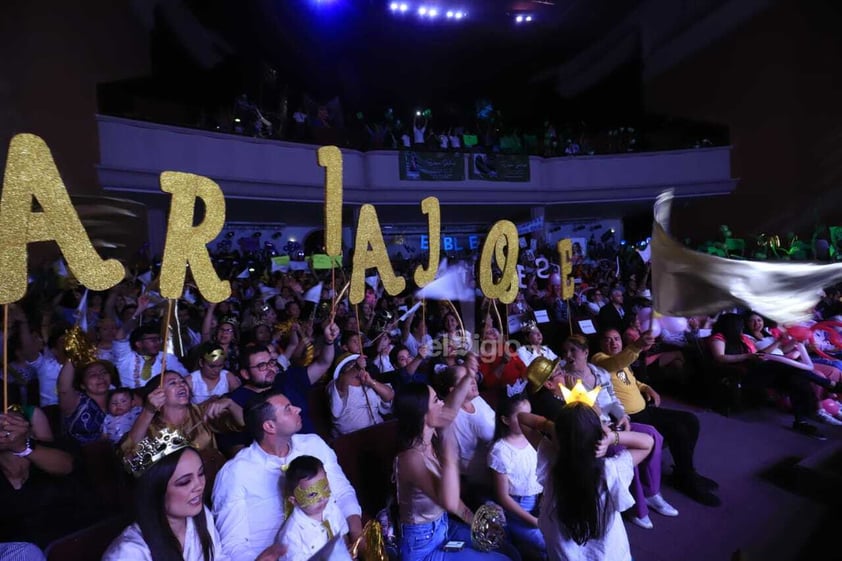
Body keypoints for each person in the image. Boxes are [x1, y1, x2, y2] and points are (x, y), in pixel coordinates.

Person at [212, 389, 363, 561]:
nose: (298, 409)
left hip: (331, 550)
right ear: (269, 426)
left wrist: (357, 537)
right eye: (288, 409)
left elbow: (343, 493)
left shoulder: (314, 445)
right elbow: (233, 544)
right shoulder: (235, 473)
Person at [103, 429, 284, 561]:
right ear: (154, 491)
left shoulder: (200, 515)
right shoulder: (128, 553)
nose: (199, 485)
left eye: (201, 473)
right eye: (184, 482)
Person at [392, 377, 521, 560]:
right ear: (421, 413)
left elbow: (450, 409)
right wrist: (449, 450)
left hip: (444, 526)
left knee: (508, 550)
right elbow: (449, 502)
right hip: (422, 547)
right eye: (436, 400)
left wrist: (475, 521)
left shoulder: (432, 438)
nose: (442, 403)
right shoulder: (410, 458)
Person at [592, 328, 721, 507]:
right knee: (678, 430)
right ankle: (687, 479)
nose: (613, 343)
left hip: (646, 411)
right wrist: (637, 346)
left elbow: (632, 381)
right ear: (600, 344)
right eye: (607, 340)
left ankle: (684, 472)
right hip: (629, 419)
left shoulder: (622, 360)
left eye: (616, 339)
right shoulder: (599, 361)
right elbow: (614, 364)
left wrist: (646, 387)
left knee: (691, 420)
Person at [560, 335, 677, 529]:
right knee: (621, 450)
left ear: (585, 352)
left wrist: (623, 416)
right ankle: (637, 509)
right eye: (565, 352)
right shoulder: (565, 378)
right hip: (593, 431)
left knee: (653, 434)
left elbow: (612, 399)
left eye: (573, 350)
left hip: (614, 424)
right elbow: (580, 415)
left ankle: (651, 493)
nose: (568, 356)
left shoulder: (599, 372)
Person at [519, 400, 654, 561]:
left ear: (557, 438)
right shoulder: (611, 471)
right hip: (609, 555)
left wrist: (552, 428)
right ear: (599, 437)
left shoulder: (550, 460)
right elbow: (648, 442)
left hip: (564, 556)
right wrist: (612, 437)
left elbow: (522, 418)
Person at [709, 313, 833, 439]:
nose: (742, 327)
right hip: (742, 374)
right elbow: (720, 358)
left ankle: (801, 421)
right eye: (740, 324)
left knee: (796, 378)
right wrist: (747, 356)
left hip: (758, 369)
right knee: (782, 365)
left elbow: (758, 355)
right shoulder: (719, 337)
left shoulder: (742, 338)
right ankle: (829, 384)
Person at [488, 382, 546, 561]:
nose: (528, 420)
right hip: (517, 512)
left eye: (530, 414)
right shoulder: (500, 451)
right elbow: (503, 497)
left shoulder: (533, 439)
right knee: (549, 542)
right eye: (522, 416)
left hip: (539, 504)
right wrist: (534, 521)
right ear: (505, 420)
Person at [122, 371, 244, 455]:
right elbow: (129, 452)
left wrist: (230, 403)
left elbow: (243, 422)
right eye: (172, 383)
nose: (181, 385)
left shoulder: (201, 412)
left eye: (182, 381)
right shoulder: (151, 427)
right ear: (157, 393)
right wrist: (148, 410)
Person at [276, 455, 350, 561]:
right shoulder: (291, 536)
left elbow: (343, 536)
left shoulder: (332, 508)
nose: (321, 498)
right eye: (312, 495)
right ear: (294, 501)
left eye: (324, 487)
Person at [111, 296, 189, 388]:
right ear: (138, 344)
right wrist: (138, 311)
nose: (157, 342)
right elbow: (120, 335)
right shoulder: (125, 357)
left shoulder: (168, 358)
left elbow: (186, 378)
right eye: (152, 340)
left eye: (158, 339)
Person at [327, 352, 394, 436]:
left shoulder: (368, 383)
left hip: (378, 431)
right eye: (349, 367)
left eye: (356, 364)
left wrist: (371, 382)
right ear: (342, 373)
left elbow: (389, 395)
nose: (357, 369)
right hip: (353, 439)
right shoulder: (335, 385)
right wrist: (356, 368)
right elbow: (342, 381)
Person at [56, 359, 113, 444]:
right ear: (82, 385)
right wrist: (73, 356)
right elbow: (64, 389)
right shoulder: (76, 402)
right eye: (92, 374)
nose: (100, 376)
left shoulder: (121, 395)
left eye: (103, 372)